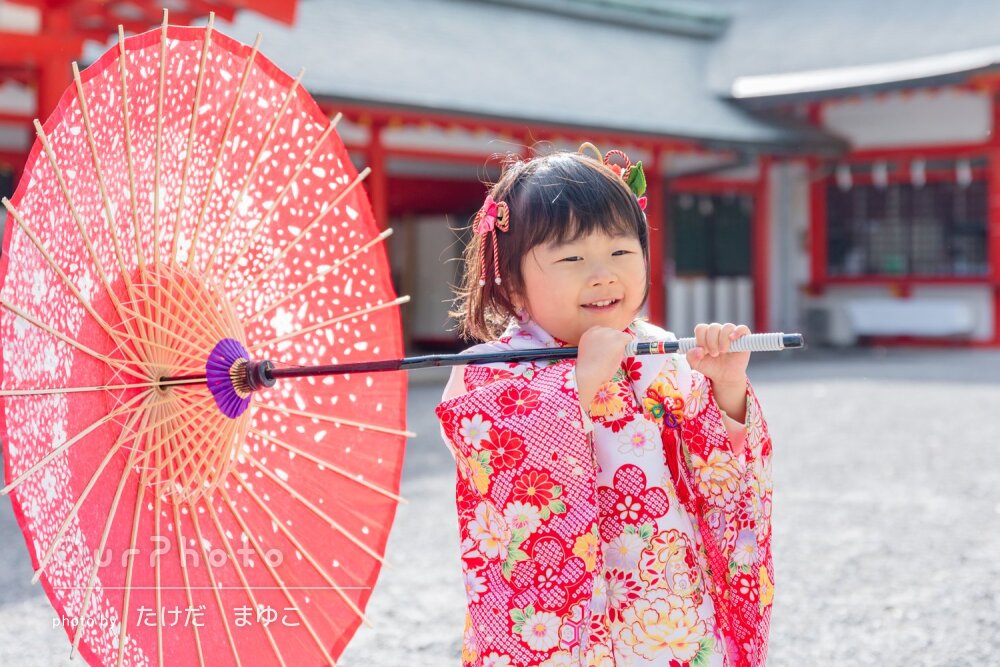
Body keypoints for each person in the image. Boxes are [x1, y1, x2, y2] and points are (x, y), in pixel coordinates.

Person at [435, 146, 773, 667]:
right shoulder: (490, 368)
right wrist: (578, 384)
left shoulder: (658, 351)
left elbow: (711, 473)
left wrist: (725, 391)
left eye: (621, 252)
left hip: (666, 599)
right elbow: (489, 466)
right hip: (563, 625)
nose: (602, 274)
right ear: (512, 280)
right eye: (571, 258)